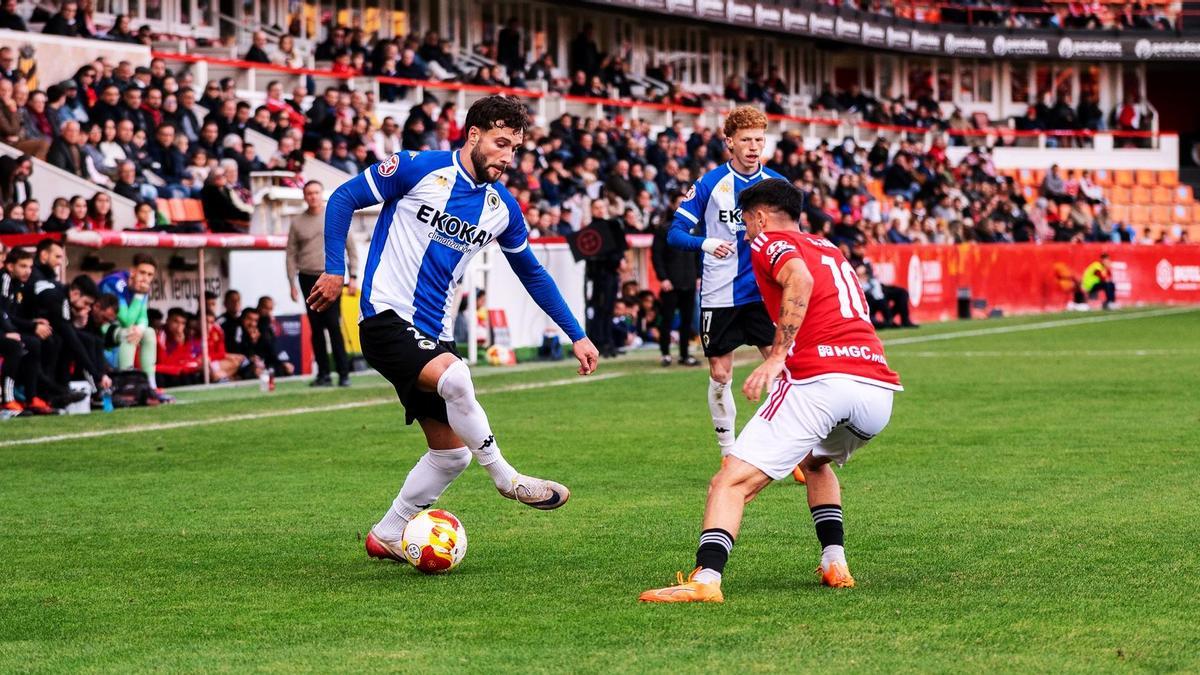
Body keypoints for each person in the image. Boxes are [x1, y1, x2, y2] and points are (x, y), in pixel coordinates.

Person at [307, 95, 599, 562]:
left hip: (434, 333)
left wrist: (576, 334)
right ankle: (508, 479)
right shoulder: (416, 168)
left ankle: (388, 532)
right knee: (457, 378)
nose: (508, 157)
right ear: (473, 135)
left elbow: (533, 273)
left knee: (452, 455)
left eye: (515, 149)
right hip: (385, 318)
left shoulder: (501, 207)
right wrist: (334, 268)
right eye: (501, 144)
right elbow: (343, 198)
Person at [640, 179, 902, 603]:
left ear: (760, 217)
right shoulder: (830, 248)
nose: (745, 232)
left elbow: (797, 278)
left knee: (729, 483)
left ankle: (706, 580)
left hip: (820, 381)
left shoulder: (769, 241)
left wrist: (779, 355)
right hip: (876, 389)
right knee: (814, 463)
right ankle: (835, 561)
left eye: (745, 222)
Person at [667, 106, 784, 461]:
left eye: (759, 140)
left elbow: (796, 236)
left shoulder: (778, 186)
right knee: (720, 374)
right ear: (729, 142)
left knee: (780, 368)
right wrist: (706, 243)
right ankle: (728, 454)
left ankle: (788, 449)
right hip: (719, 293)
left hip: (764, 293)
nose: (753, 147)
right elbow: (675, 234)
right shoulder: (709, 184)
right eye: (746, 140)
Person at [287, 180, 358, 387]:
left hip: (332, 276)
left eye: (316, 192)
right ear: (304, 196)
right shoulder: (297, 222)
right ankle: (323, 375)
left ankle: (344, 374)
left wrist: (353, 276)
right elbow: (290, 253)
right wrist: (290, 281)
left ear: (322, 194)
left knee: (334, 325)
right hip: (307, 276)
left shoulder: (334, 215)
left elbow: (351, 248)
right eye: (309, 193)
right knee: (316, 328)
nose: (313, 196)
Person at [98, 254, 172, 402]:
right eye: (142, 272)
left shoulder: (141, 288)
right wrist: (139, 296)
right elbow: (126, 320)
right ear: (132, 271)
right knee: (128, 333)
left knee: (149, 332)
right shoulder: (115, 283)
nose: (145, 278)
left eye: (150, 275)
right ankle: (127, 386)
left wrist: (140, 328)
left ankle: (151, 386)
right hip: (100, 328)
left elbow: (143, 318)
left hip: (122, 329)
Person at [651, 192, 699, 367]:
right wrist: (663, 278)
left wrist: (698, 275)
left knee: (687, 320)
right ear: (672, 205)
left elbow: (697, 253)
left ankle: (684, 354)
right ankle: (665, 354)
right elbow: (657, 256)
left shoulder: (693, 227)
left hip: (689, 281)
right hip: (670, 283)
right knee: (667, 319)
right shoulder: (664, 229)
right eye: (679, 203)